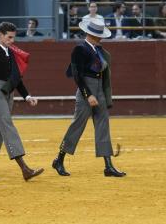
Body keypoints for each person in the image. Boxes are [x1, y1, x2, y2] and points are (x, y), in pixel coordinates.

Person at [52, 17, 125, 177]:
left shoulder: (99, 51)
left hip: (99, 91)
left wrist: (102, 95)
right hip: (87, 92)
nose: (101, 38)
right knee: (77, 126)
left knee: (103, 127)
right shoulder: (80, 49)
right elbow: (77, 76)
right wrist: (88, 94)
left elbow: (103, 75)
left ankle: (108, 166)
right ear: (92, 35)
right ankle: (59, 160)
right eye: (99, 35)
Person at [0, 22, 43, 182]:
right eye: (9, 37)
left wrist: (27, 96)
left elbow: (16, 79)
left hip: (9, 94)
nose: (12, 40)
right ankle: (25, 169)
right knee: (7, 125)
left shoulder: (10, 53)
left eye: (13, 37)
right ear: (0, 35)